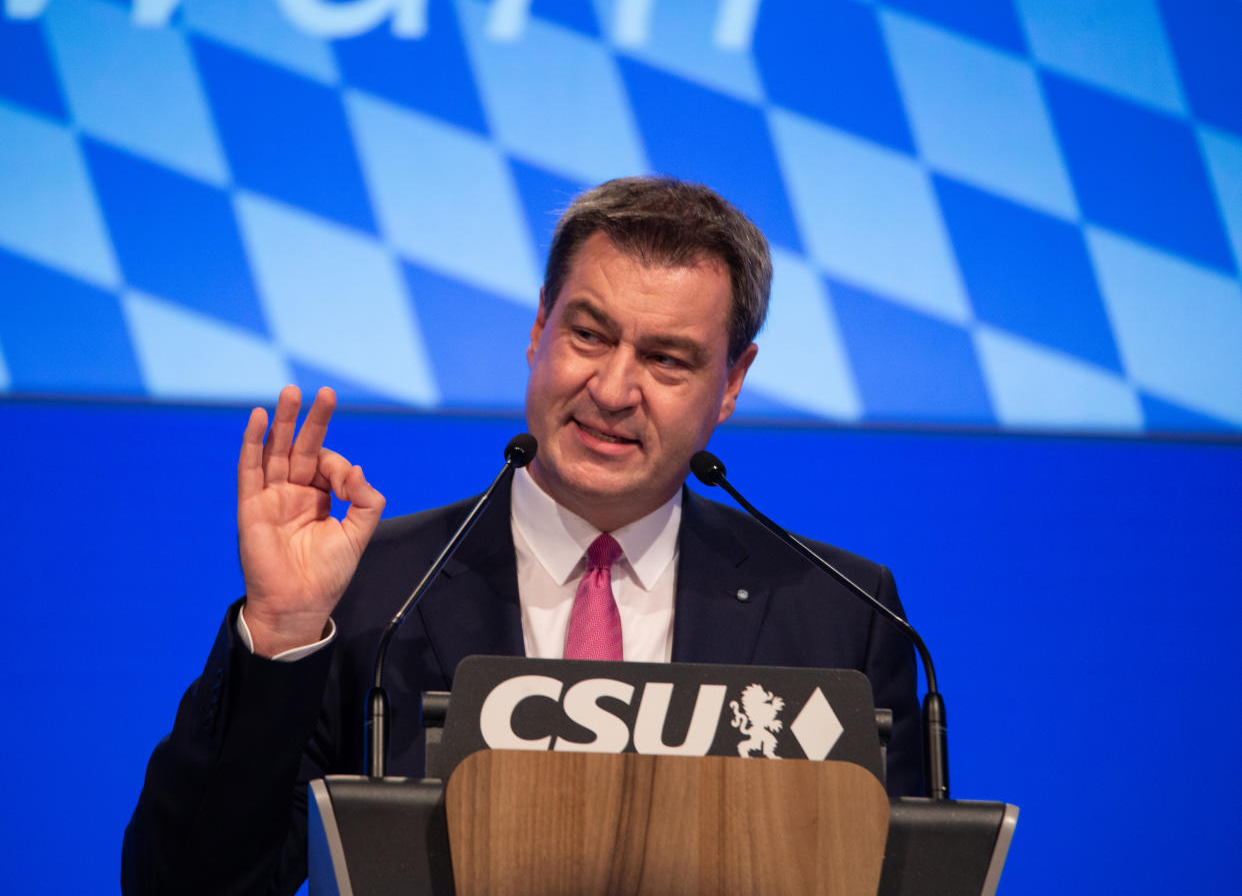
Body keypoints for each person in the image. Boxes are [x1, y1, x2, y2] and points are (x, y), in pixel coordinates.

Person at [122, 177, 921, 895]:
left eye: (667, 359)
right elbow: (184, 887)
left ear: (732, 385)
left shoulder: (839, 617)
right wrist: (286, 632)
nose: (612, 389)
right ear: (539, 328)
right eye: (588, 335)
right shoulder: (373, 594)